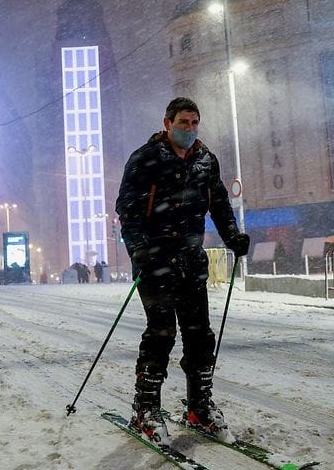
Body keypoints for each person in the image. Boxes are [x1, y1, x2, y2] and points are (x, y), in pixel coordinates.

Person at [115, 97, 250, 447]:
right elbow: (127, 211)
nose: (189, 129)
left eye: (194, 123)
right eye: (183, 122)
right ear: (167, 122)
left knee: (200, 335)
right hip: (155, 260)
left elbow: (219, 203)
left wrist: (233, 236)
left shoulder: (206, 161)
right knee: (161, 334)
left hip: (191, 261)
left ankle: (199, 405)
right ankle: (145, 408)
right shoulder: (145, 159)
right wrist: (140, 249)